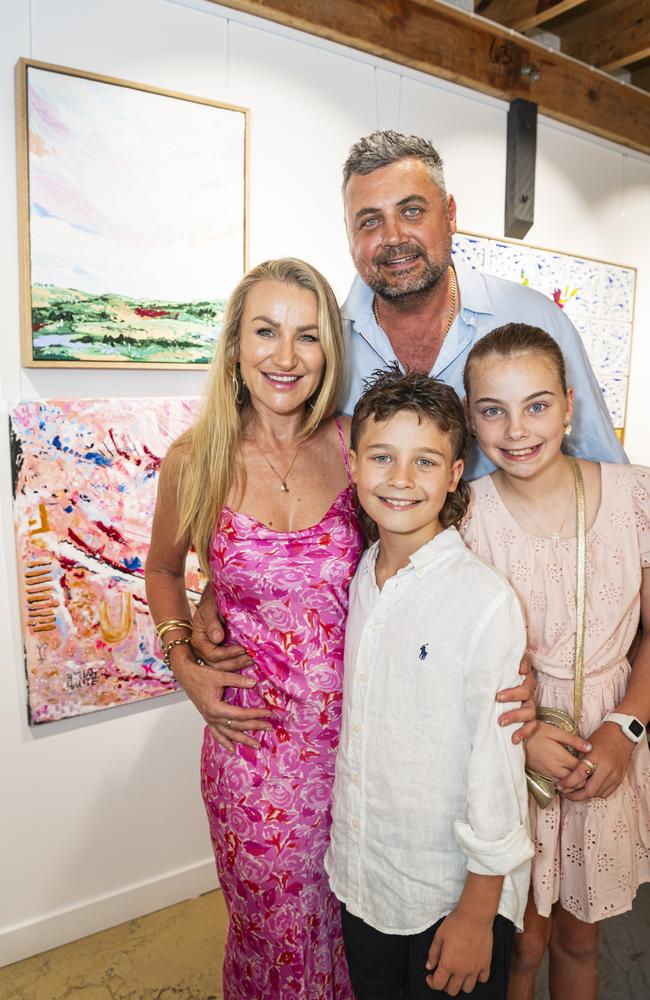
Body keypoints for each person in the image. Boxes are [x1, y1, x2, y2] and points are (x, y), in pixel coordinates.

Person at [145, 258, 364, 1000]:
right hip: (254, 751)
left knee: (347, 936)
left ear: (328, 350)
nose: (285, 356)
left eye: (307, 336)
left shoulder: (355, 448)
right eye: (265, 332)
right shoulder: (194, 458)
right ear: (235, 345)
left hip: (358, 748)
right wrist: (186, 664)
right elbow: (163, 570)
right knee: (275, 941)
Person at [325, 367, 534, 999]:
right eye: (383, 457)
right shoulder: (362, 574)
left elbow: (495, 764)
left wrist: (477, 910)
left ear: (454, 475)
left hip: (449, 896)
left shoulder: (483, 601)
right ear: (353, 463)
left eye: (425, 462)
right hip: (364, 874)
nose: (400, 479)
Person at [461, 323, 650, 1000]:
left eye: (537, 405)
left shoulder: (636, 497)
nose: (517, 430)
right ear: (471, 419)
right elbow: (456, 661)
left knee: (579, 936)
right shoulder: (465, 517)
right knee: (520, 940)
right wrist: (526, 737)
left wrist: (626, 727)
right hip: (513, 750)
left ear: (570, 406)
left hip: (607, 744)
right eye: (493, 410)